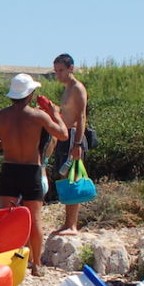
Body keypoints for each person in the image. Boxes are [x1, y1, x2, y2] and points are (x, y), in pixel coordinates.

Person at [0, 73, 68, 275]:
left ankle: (7, 264)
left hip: (10, 169)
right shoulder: (38, 116)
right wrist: (54, 112)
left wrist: (8, 144)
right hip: (31, 170)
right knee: (35, 220)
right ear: (30, 94)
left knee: (7, 219)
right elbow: (63, 134)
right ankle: (37, 265)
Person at [49, 53, 90, 236]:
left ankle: (72, 225)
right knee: (65, 179)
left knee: (73, 179)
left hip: (75, 137)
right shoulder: (66, 88)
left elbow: (81, 117)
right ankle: (67, 223)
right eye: (56, 71)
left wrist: (78, 144)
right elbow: (66, 113)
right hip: (65, 136)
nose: (58, 74)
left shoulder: (77, 88)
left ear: (70, 69)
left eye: (61, 70)